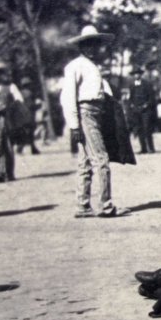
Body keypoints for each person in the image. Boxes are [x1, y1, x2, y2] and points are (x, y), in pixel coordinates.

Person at [60, 25, 131, 219]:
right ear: (81, 47)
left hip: (97, 112)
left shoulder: (93, 67)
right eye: (87, 44)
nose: (92, 48)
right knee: (101, 159)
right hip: (86, 112)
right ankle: (105, 205)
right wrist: (74, 125)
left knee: (85, 161)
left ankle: (82, 205)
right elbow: (68, 97)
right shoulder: (75, 66)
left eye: (95, 44)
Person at [128, 69, 156, 154]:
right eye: (135, 74)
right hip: (136, 110)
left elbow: (151, 97)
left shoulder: (147, 84)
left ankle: (151, 148)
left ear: (141, 74)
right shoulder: (132, 86)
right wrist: (132, 105)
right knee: (139, 129)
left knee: (147, 128)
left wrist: (146, 105)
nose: (136, 75)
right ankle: (143, 148)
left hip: (146, 110)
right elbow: (131, 98)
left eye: (138, 73)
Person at [15, 76, 41, 155]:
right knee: (29, 132)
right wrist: (38, 106)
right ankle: (24, 148)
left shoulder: (19, 93)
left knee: (26, 132)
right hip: (29, 115)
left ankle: (29, 148)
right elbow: (30, 105)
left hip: (21, 115)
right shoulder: (29, 93)